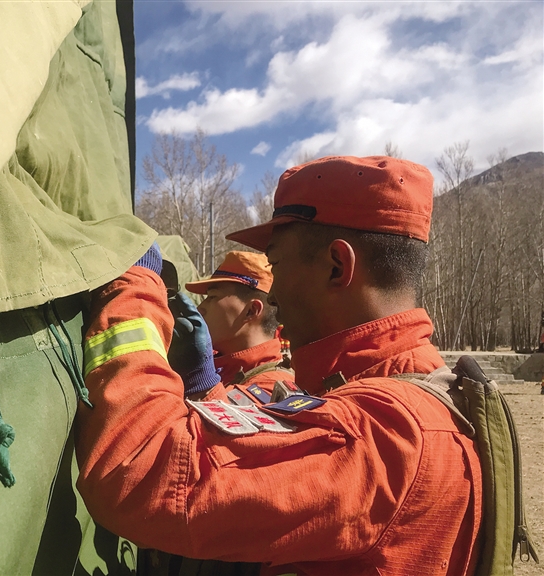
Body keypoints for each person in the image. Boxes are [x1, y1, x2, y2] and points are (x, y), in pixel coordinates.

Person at [75, 156, 482, 575]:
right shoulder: (403, 389)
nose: (273, 294)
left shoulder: (385, 431)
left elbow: (141, 474)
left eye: (278, 265)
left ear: (337, 266)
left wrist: (136, 289)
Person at [184, 251, 296, 403]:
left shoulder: (271, 388)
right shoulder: (219, 367)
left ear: (251, 311)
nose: (200, 308)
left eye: (212, 297)